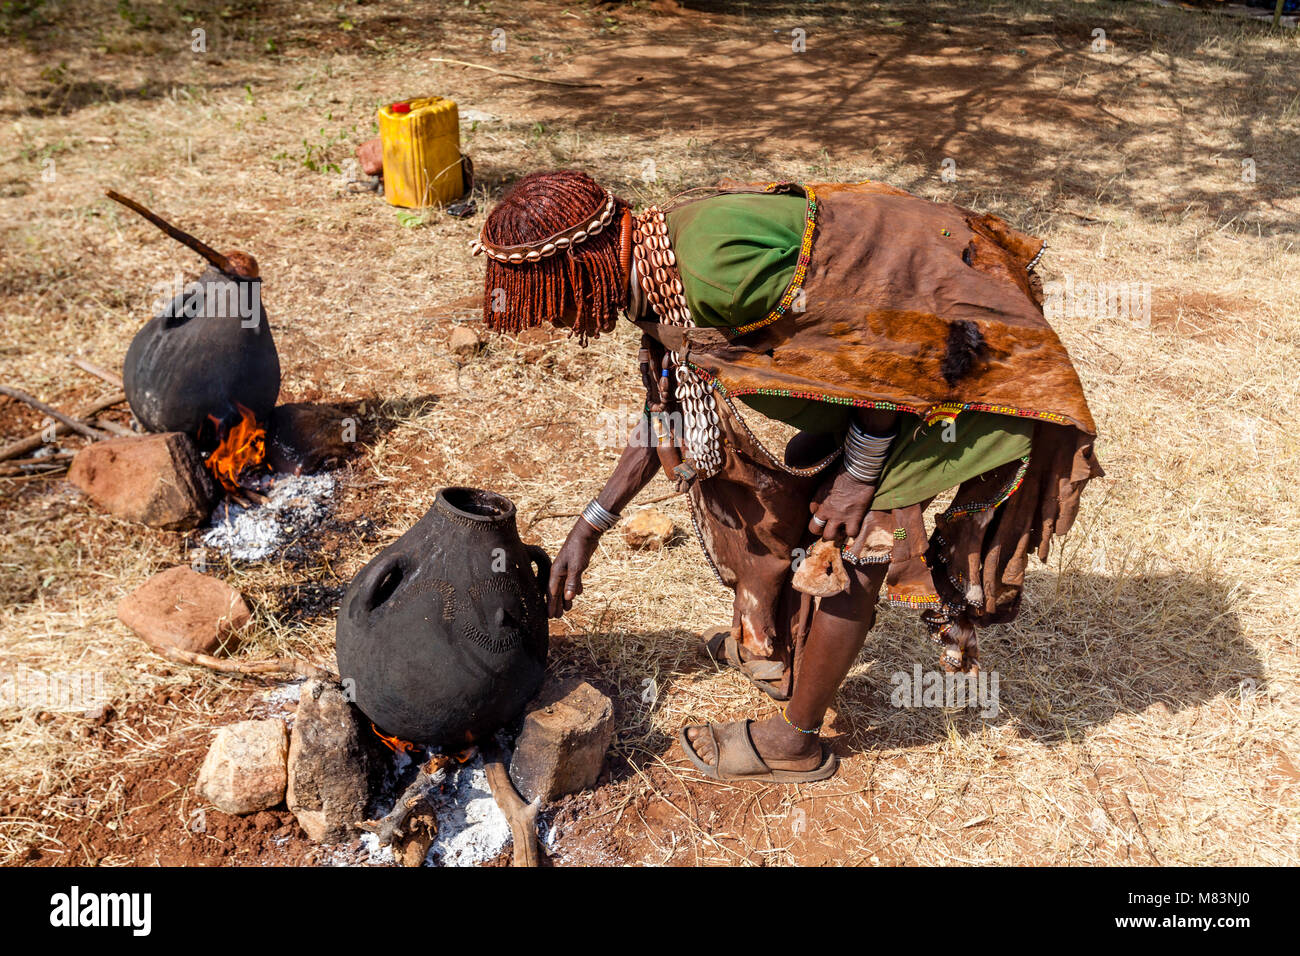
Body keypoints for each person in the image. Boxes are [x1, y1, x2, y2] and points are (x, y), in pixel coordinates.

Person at [473, 170, 1102, 782]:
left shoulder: (714, 270)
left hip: (960, 362)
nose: (547, 321)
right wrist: (591, 525)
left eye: (543, 299)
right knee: (795, 481)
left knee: (859, 543)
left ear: (576, 264)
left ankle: (794, 742)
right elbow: (663, 408)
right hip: (891, 376)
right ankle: (781, 650)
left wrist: (860, 477)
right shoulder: (653, 262)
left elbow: (883, 341)